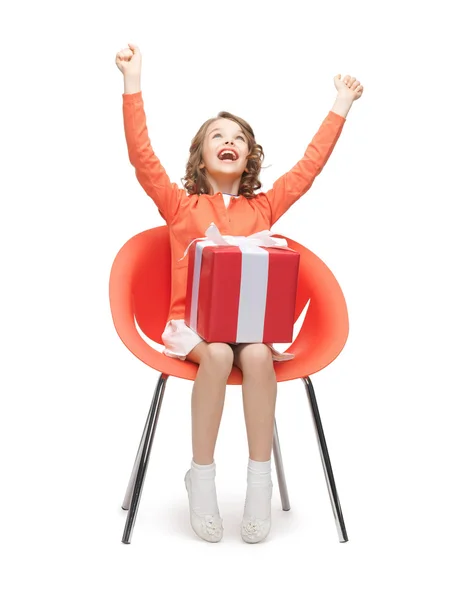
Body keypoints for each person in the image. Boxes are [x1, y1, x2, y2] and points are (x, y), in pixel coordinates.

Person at [115, 42, 363, 544]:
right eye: (217, 136)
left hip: (251, 330)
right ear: (201, 154)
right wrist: (132, 82)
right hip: (194, 331)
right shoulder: (180, 206)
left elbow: (308, 169)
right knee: (216, 354)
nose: (229, 141)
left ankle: (258, 481)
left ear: (249, 156)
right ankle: (200, 478)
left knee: (254, 357)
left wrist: (340, 104)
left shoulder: (264, 209)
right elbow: (142, 156)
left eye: (239, 138)